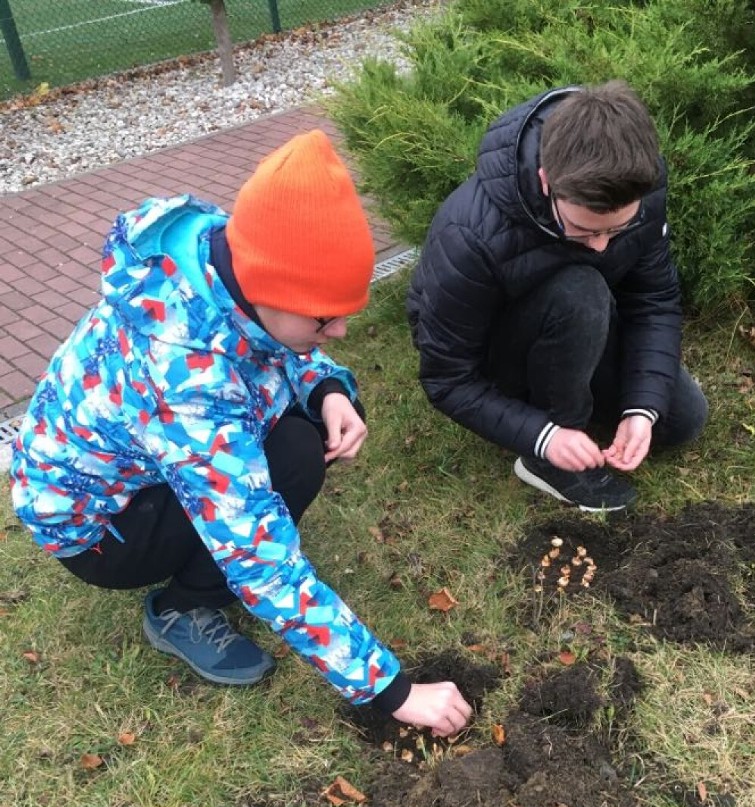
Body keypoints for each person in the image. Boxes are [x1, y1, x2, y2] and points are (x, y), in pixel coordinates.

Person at [10, 131, 472, 737]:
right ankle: (180, 609)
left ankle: (193, 569)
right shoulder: (186, 379)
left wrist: (327, 387)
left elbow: (265, 336)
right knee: (265, 495)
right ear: (271, 289)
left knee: (301, 441)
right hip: (98, 527)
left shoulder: (225, 256)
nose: (336, 334)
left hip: (145, 460)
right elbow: (258, 556)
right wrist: (391, 691)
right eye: (326, 320)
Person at [406, 80, 708, 512]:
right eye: (585, 230)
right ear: (547, 182)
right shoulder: (468, 233)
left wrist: (642, 408)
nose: (603, 246)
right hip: (497, 352)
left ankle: (589, 391)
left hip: (576, 324)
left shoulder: (642, 185)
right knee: (580, 289)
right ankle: (547, 462)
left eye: (616, 230)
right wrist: (545, 436)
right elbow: (448, 378)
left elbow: (654, 300)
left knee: (680, 420)